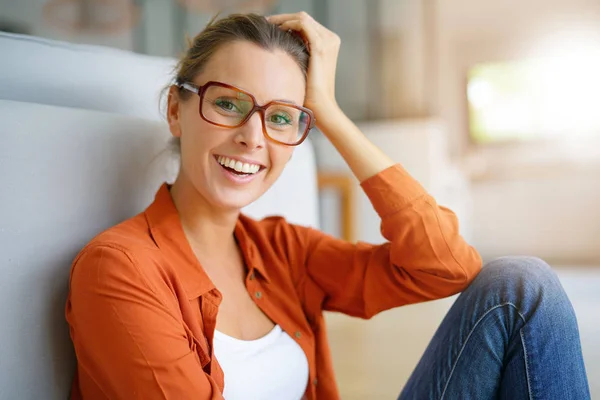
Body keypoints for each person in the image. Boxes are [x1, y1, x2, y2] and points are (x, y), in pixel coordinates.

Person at [65, 12, 590, 400]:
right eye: (228, 103)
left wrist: (330, 114)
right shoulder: (119, 269)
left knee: (521, 285)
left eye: (282, 117)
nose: (254, 137)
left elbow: (446, 266)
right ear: (176, 112)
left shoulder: (280, 249)